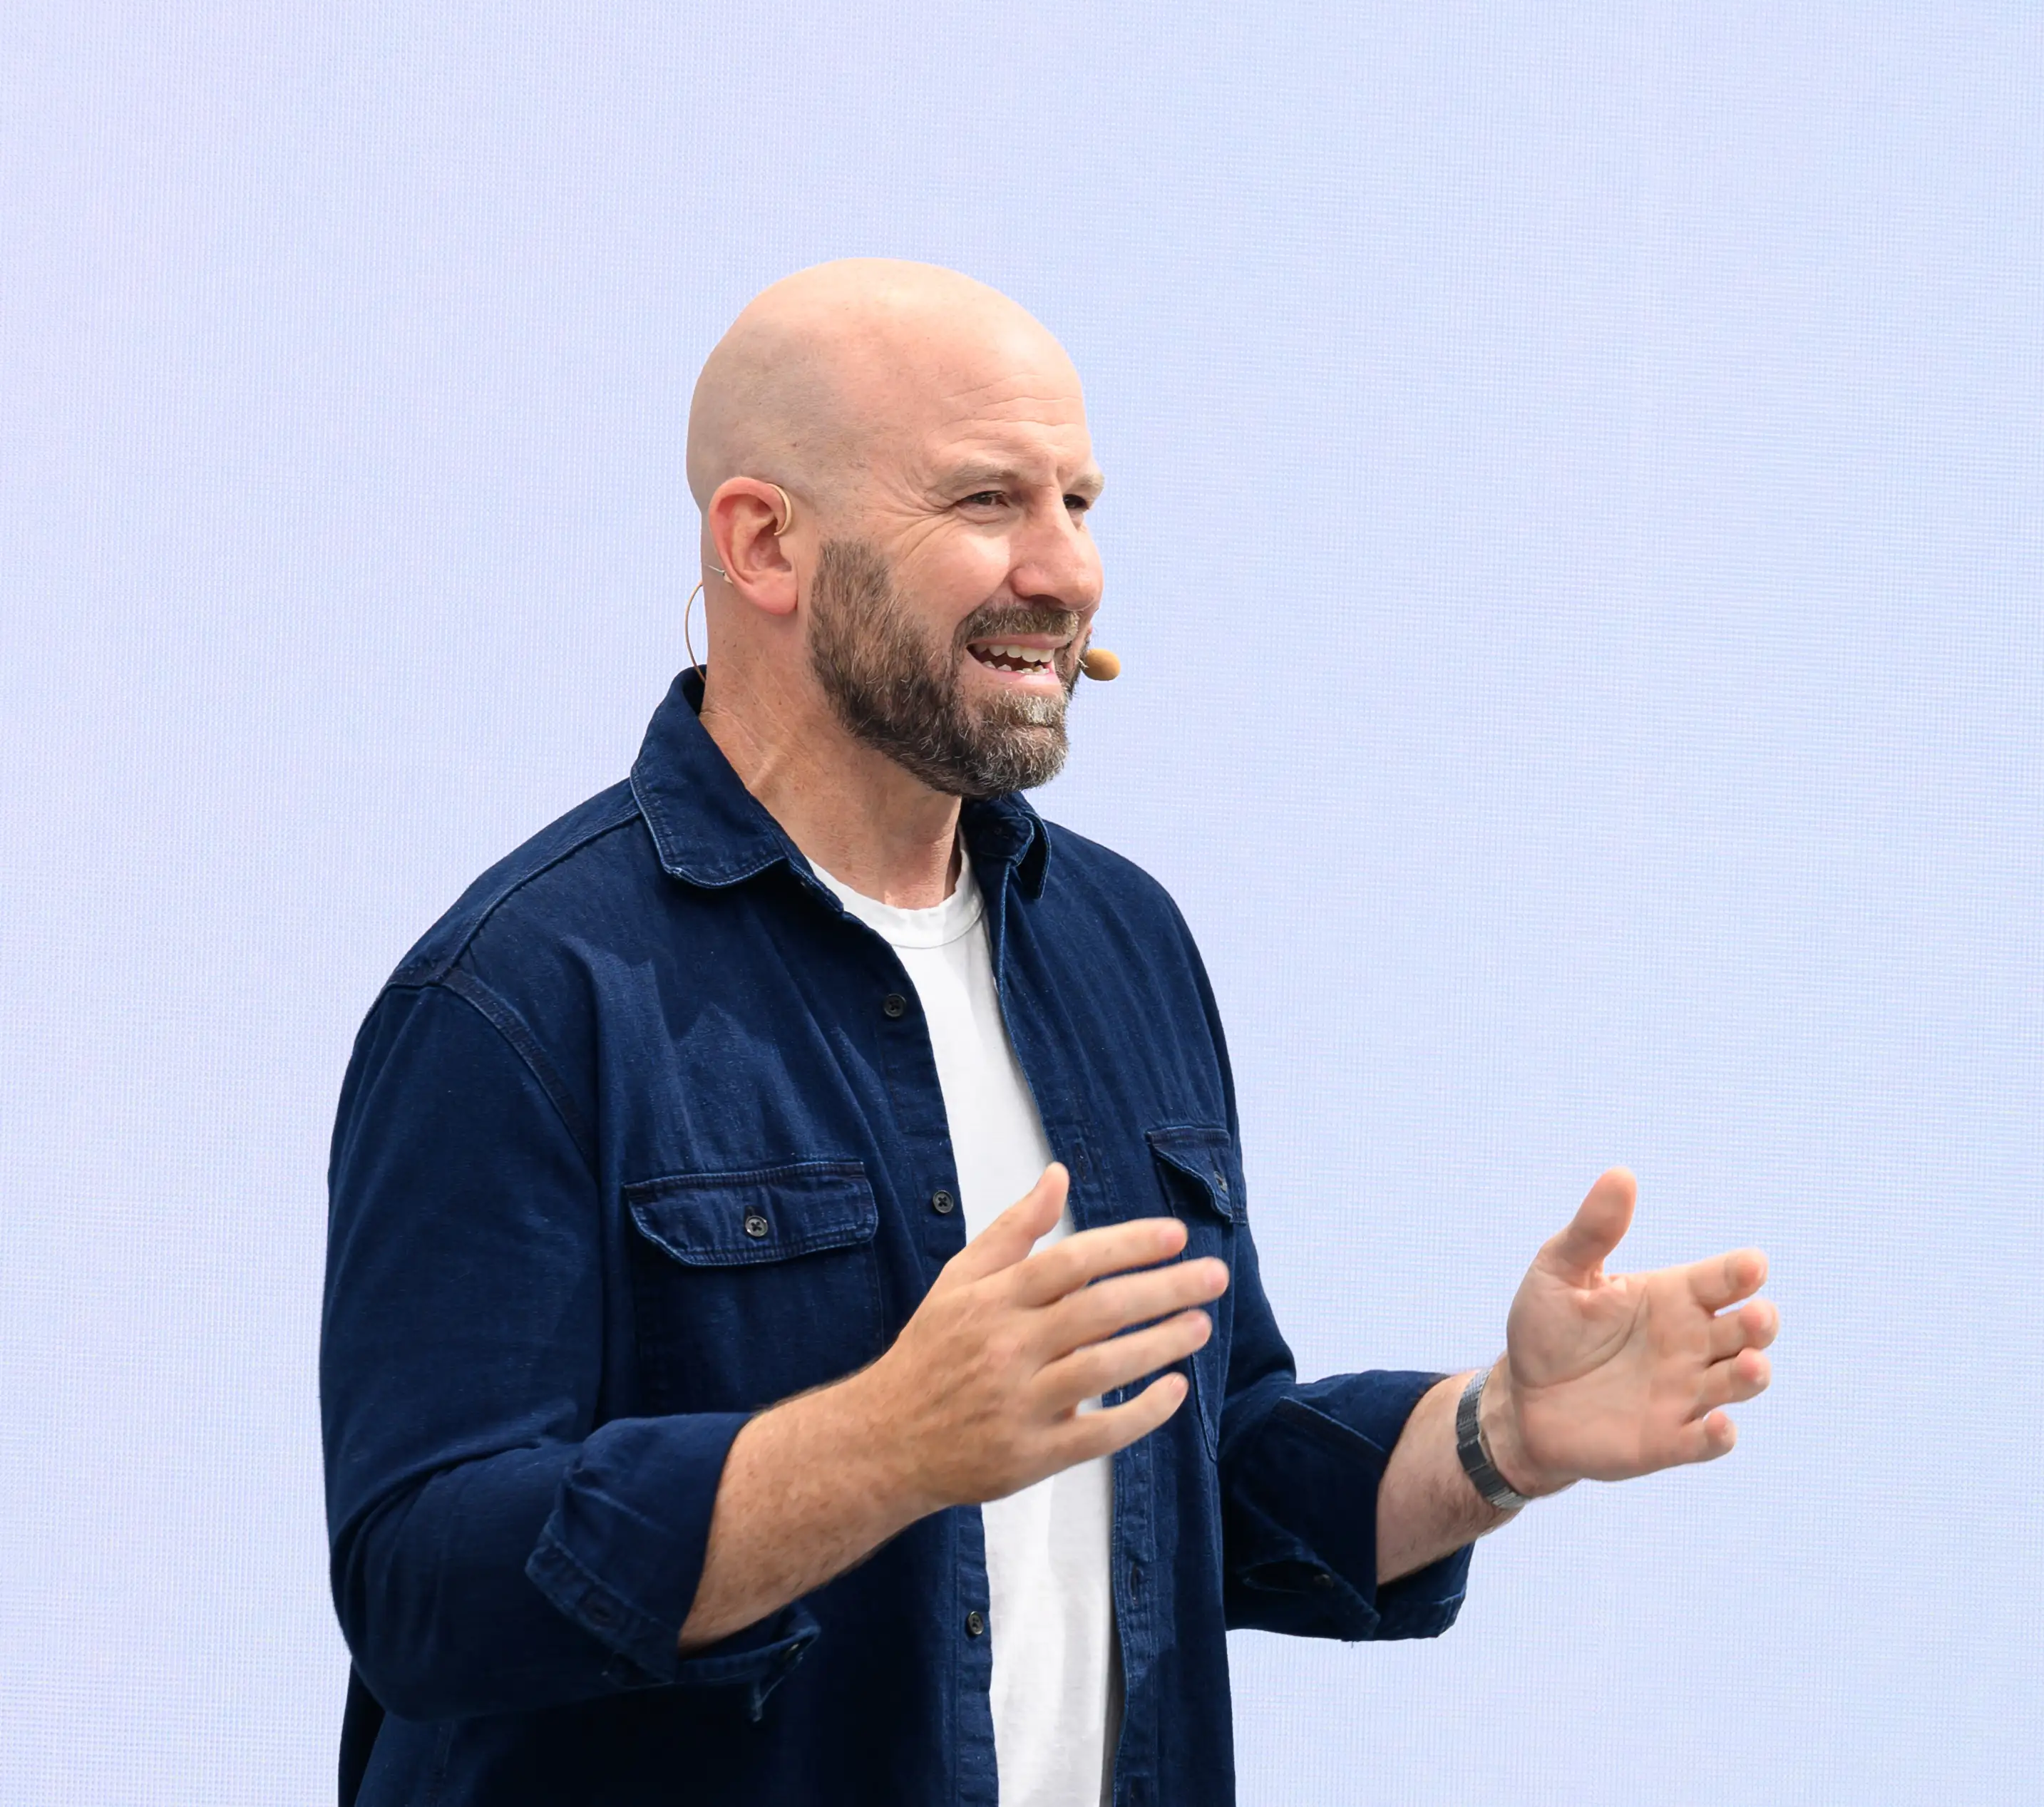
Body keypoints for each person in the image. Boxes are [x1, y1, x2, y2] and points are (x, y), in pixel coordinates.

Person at [319, 260, 1780, 1806]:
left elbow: (1195, 1467)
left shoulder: (1119, 941)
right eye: (985, 502)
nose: (1065, 569)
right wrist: (884, 1442)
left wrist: (1498, 1433)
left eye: (1079, 500)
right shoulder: (517, 998)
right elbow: (427, 1587)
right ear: (764, 544)